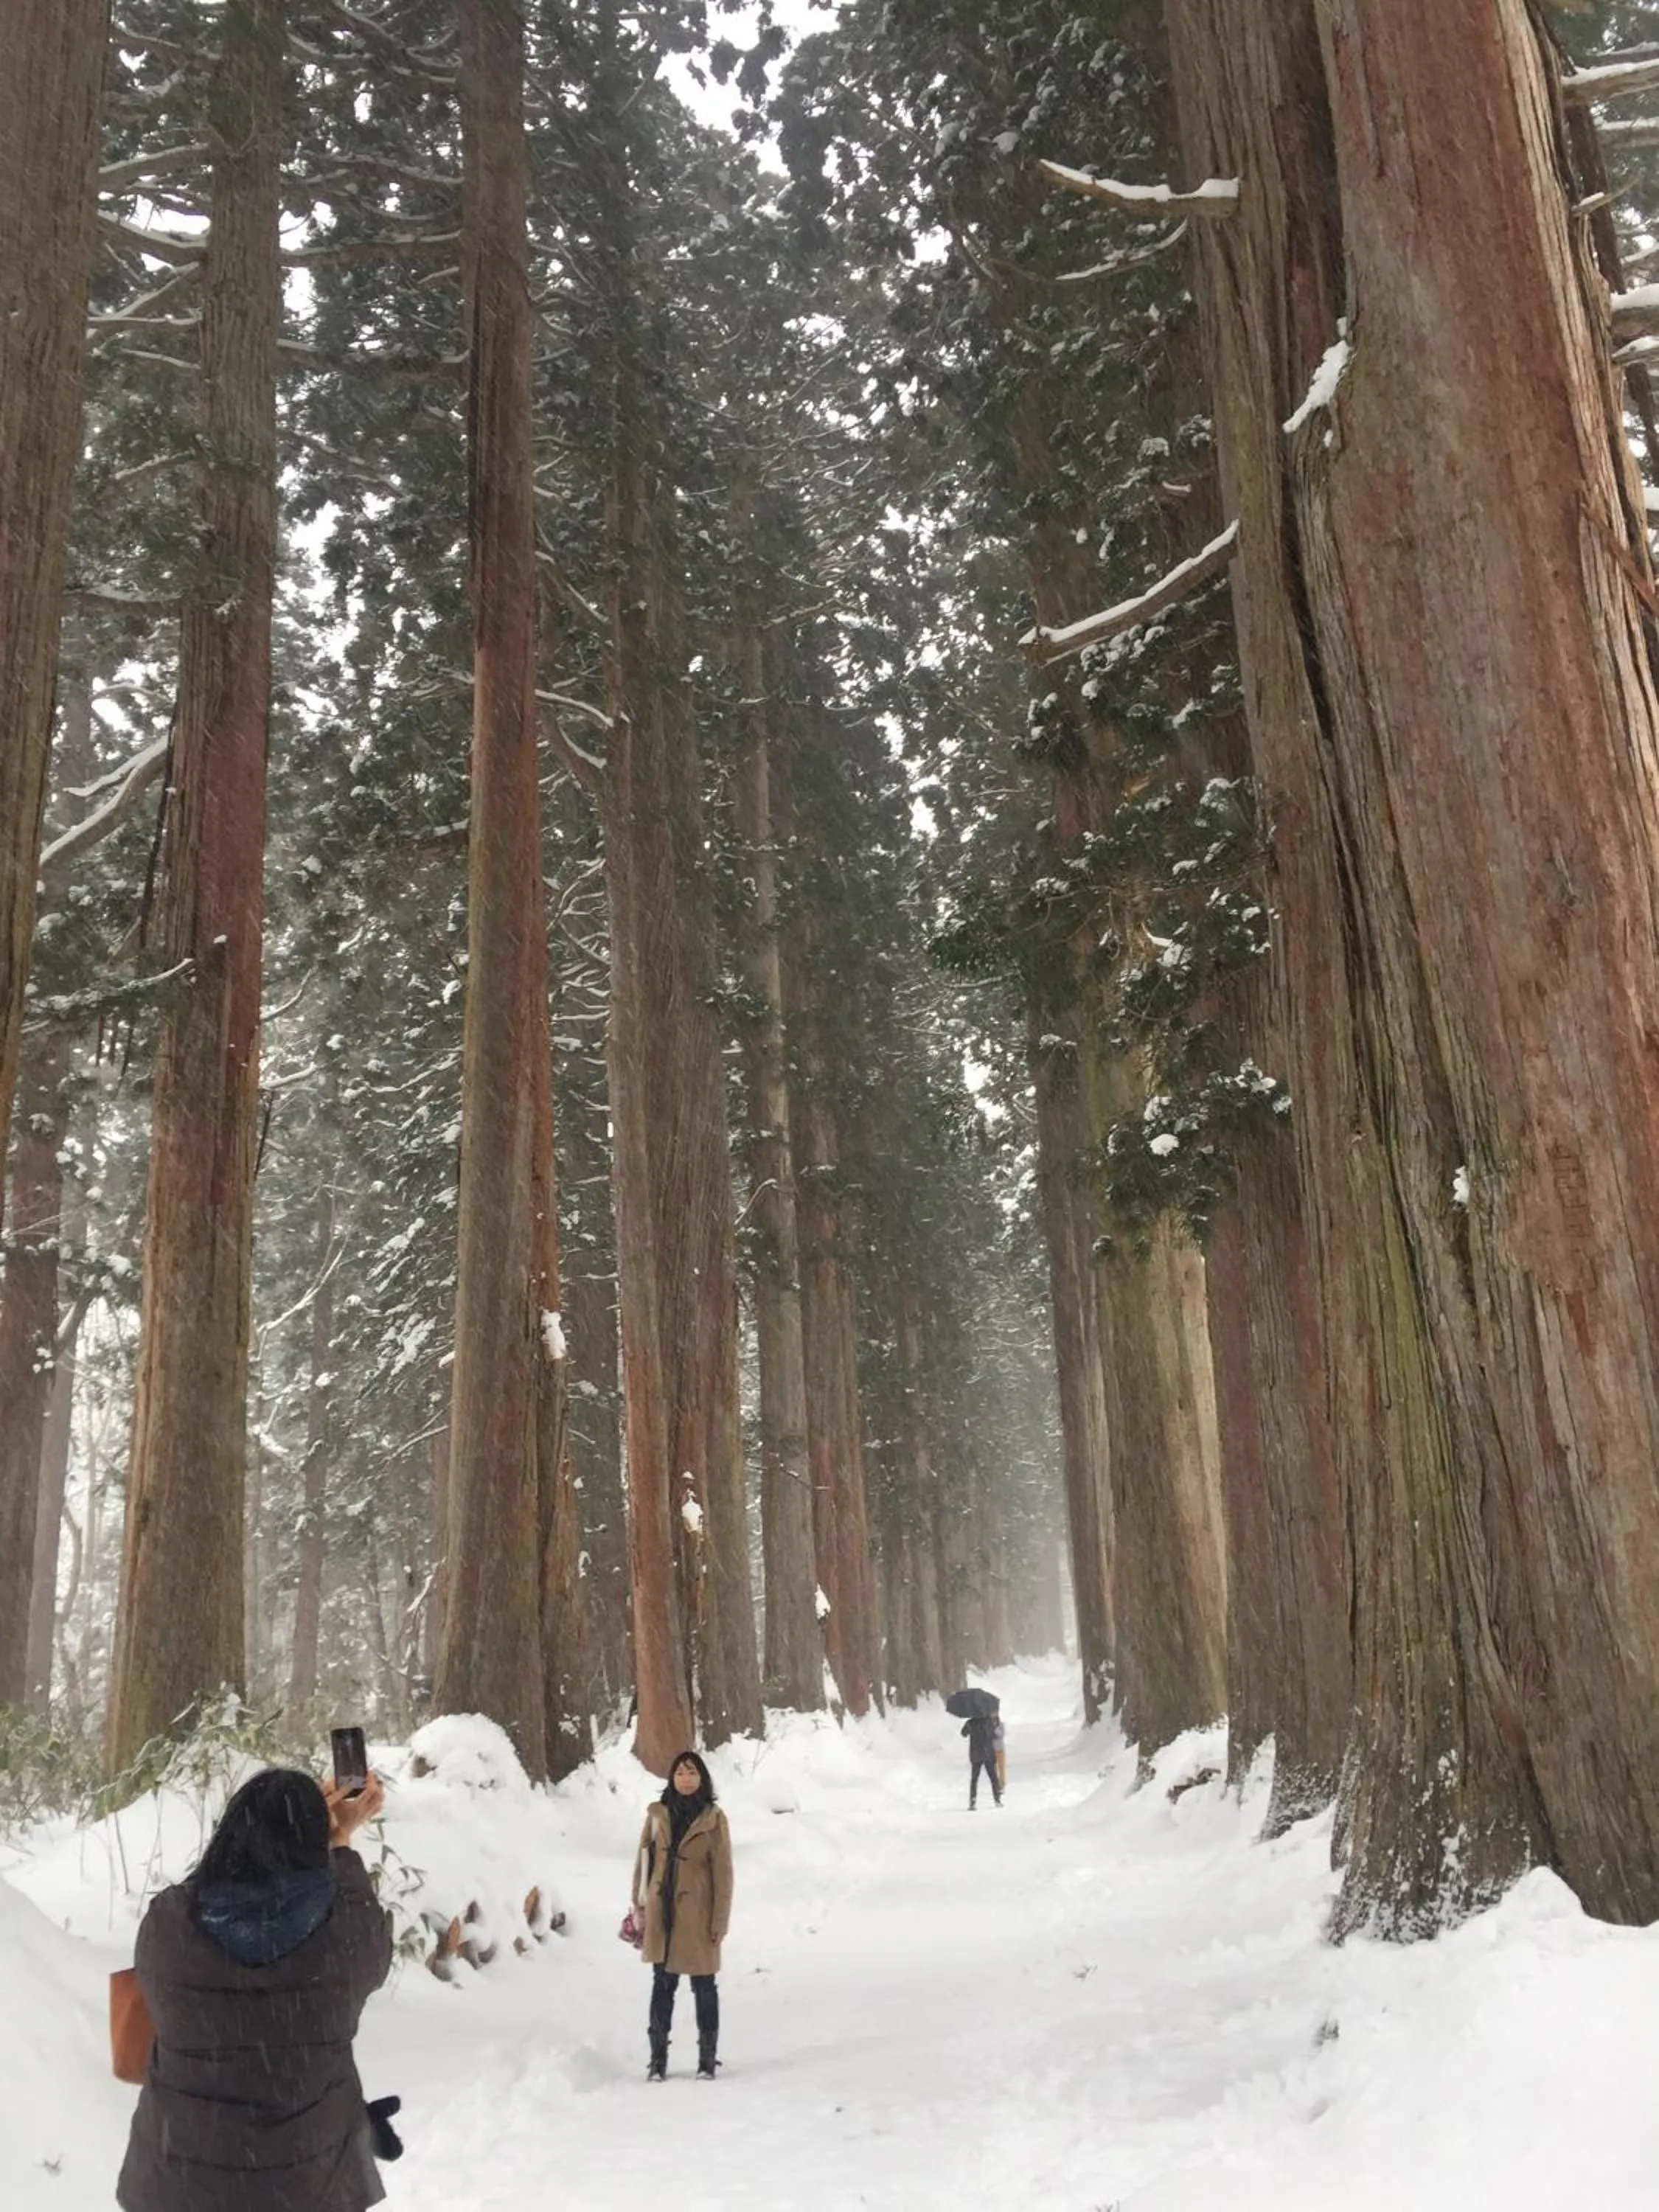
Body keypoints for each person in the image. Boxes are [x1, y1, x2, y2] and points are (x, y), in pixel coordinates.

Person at [117, 1765, 394, 2212]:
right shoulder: (345, 1938)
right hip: (307, 2184)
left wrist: (286, 1828)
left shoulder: (168, 1924)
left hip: (174, 2185)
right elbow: (364, 1930)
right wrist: (339, 1840)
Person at [632, 1749, 733, 2081]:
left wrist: (719, 1920)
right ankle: (657, 2060)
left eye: (691, 1773)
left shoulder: (714, 1819)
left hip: (699, 1916)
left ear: (702, 1777)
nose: (686, 1779)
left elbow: (724, 1874)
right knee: (662, 1985)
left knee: (705, 1986)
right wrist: (638, 1905)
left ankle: (707, 2058)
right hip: (663, 1914)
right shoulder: (657, 1815)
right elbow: (642, 1863)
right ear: (671, 1778)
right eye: (680, 1773)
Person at [964, 1709, 1004, 1809]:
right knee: (993, 1778)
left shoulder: (970, 1722)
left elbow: (963, 1734)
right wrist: (995, 1724)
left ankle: (973, 1802)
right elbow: (994, 1735)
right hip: (988, 1754)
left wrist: (969, 1728)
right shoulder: (988, 1722)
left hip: (976, 1754)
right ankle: (997, 1799)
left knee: (974, 1779)